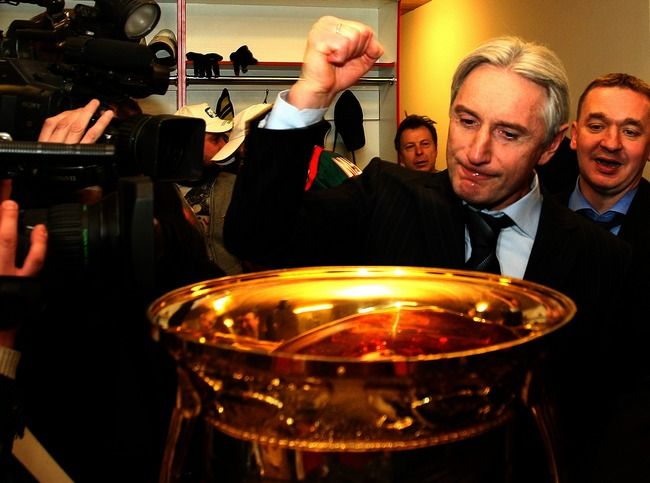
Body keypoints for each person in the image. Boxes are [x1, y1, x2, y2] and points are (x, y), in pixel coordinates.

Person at [224, 16, 638, 482]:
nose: (476, 152)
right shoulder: (386, 197)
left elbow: (607, 416)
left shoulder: (603, 260)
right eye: (467, 121)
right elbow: (255, 236)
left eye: (508, 133)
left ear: (550, 145)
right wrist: (311, 95)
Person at [554, 73, 650, 482]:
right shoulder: (529, 213)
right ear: (574, 135)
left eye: (631, 131)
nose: (611, 143)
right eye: (597, 125)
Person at [176, 102, 271, 275]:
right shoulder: (160, 193)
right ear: (188, 144)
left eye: (224, 138)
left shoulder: (234, 185)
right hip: (184, 288)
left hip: (234, 286)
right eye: (214, 139)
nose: (223, 145)